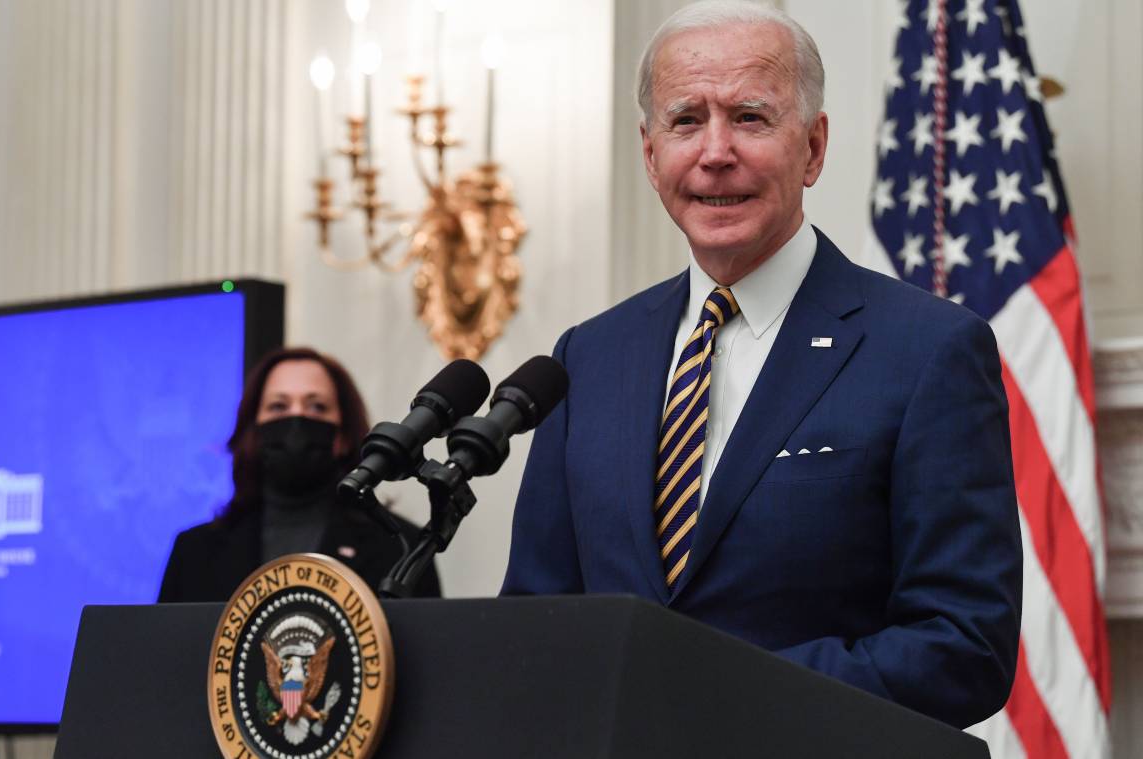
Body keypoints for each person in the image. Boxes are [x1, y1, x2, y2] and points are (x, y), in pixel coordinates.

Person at [501, 1, 1020, 729]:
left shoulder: (929, 350)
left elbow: (964, 645)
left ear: (812, 147)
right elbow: (535, 623)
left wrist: (718, 691)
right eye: (686, 121)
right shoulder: (586, 357)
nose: (715, 151)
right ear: (651, 156)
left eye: (749, 117)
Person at [159, 346, 440, 602]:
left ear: (342, 436)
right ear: (254, 431)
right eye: (278, 406)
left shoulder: (401, 549)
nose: (296, 420)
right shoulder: (194, 552)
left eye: (316, 406)